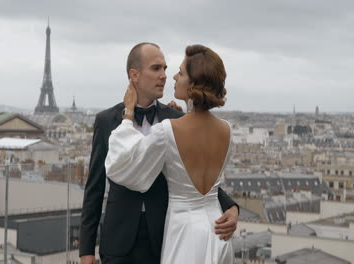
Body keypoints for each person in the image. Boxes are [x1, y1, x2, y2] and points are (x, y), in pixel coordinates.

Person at [80, 43, 238, 264]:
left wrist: (230, 205)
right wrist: (86, 251)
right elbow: (94, 188)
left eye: (166, 68)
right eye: (156, 69)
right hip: (119, 240)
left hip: (164, 236)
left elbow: (194, 176)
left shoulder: (175, 121)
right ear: (134, 75)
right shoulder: (106, 121)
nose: (164, 75)